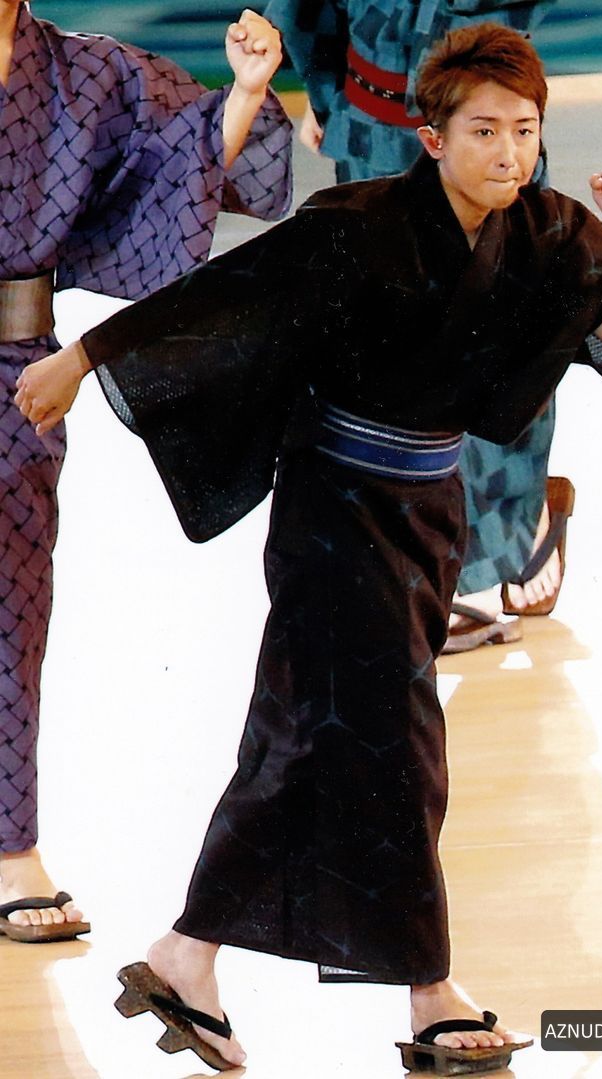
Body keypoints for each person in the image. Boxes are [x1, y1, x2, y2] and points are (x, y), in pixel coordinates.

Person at [15, 21, 602, 1073]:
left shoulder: (549, 230)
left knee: (298, 738)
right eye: (484, 131)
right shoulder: (359, 221)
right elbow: (226, 292)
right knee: (401, 742)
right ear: (431, 138)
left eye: (525, 131)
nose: (509, 152)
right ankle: (430, 990)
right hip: (333, 508)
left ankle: (187, 956)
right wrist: (84, 358)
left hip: (429, 511)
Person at [0, 1, 291, 943]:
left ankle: (9, 847)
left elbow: (186, 152)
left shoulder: (86, 73)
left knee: (10, 612)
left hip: (13, 374)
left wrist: (244, 93)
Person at [263, 0, 563, 649]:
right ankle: (416, 548)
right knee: (385, 338)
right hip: (373, 123)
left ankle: (511, 523)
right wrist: (325, 88)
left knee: (497, 327)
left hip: (485, 125)